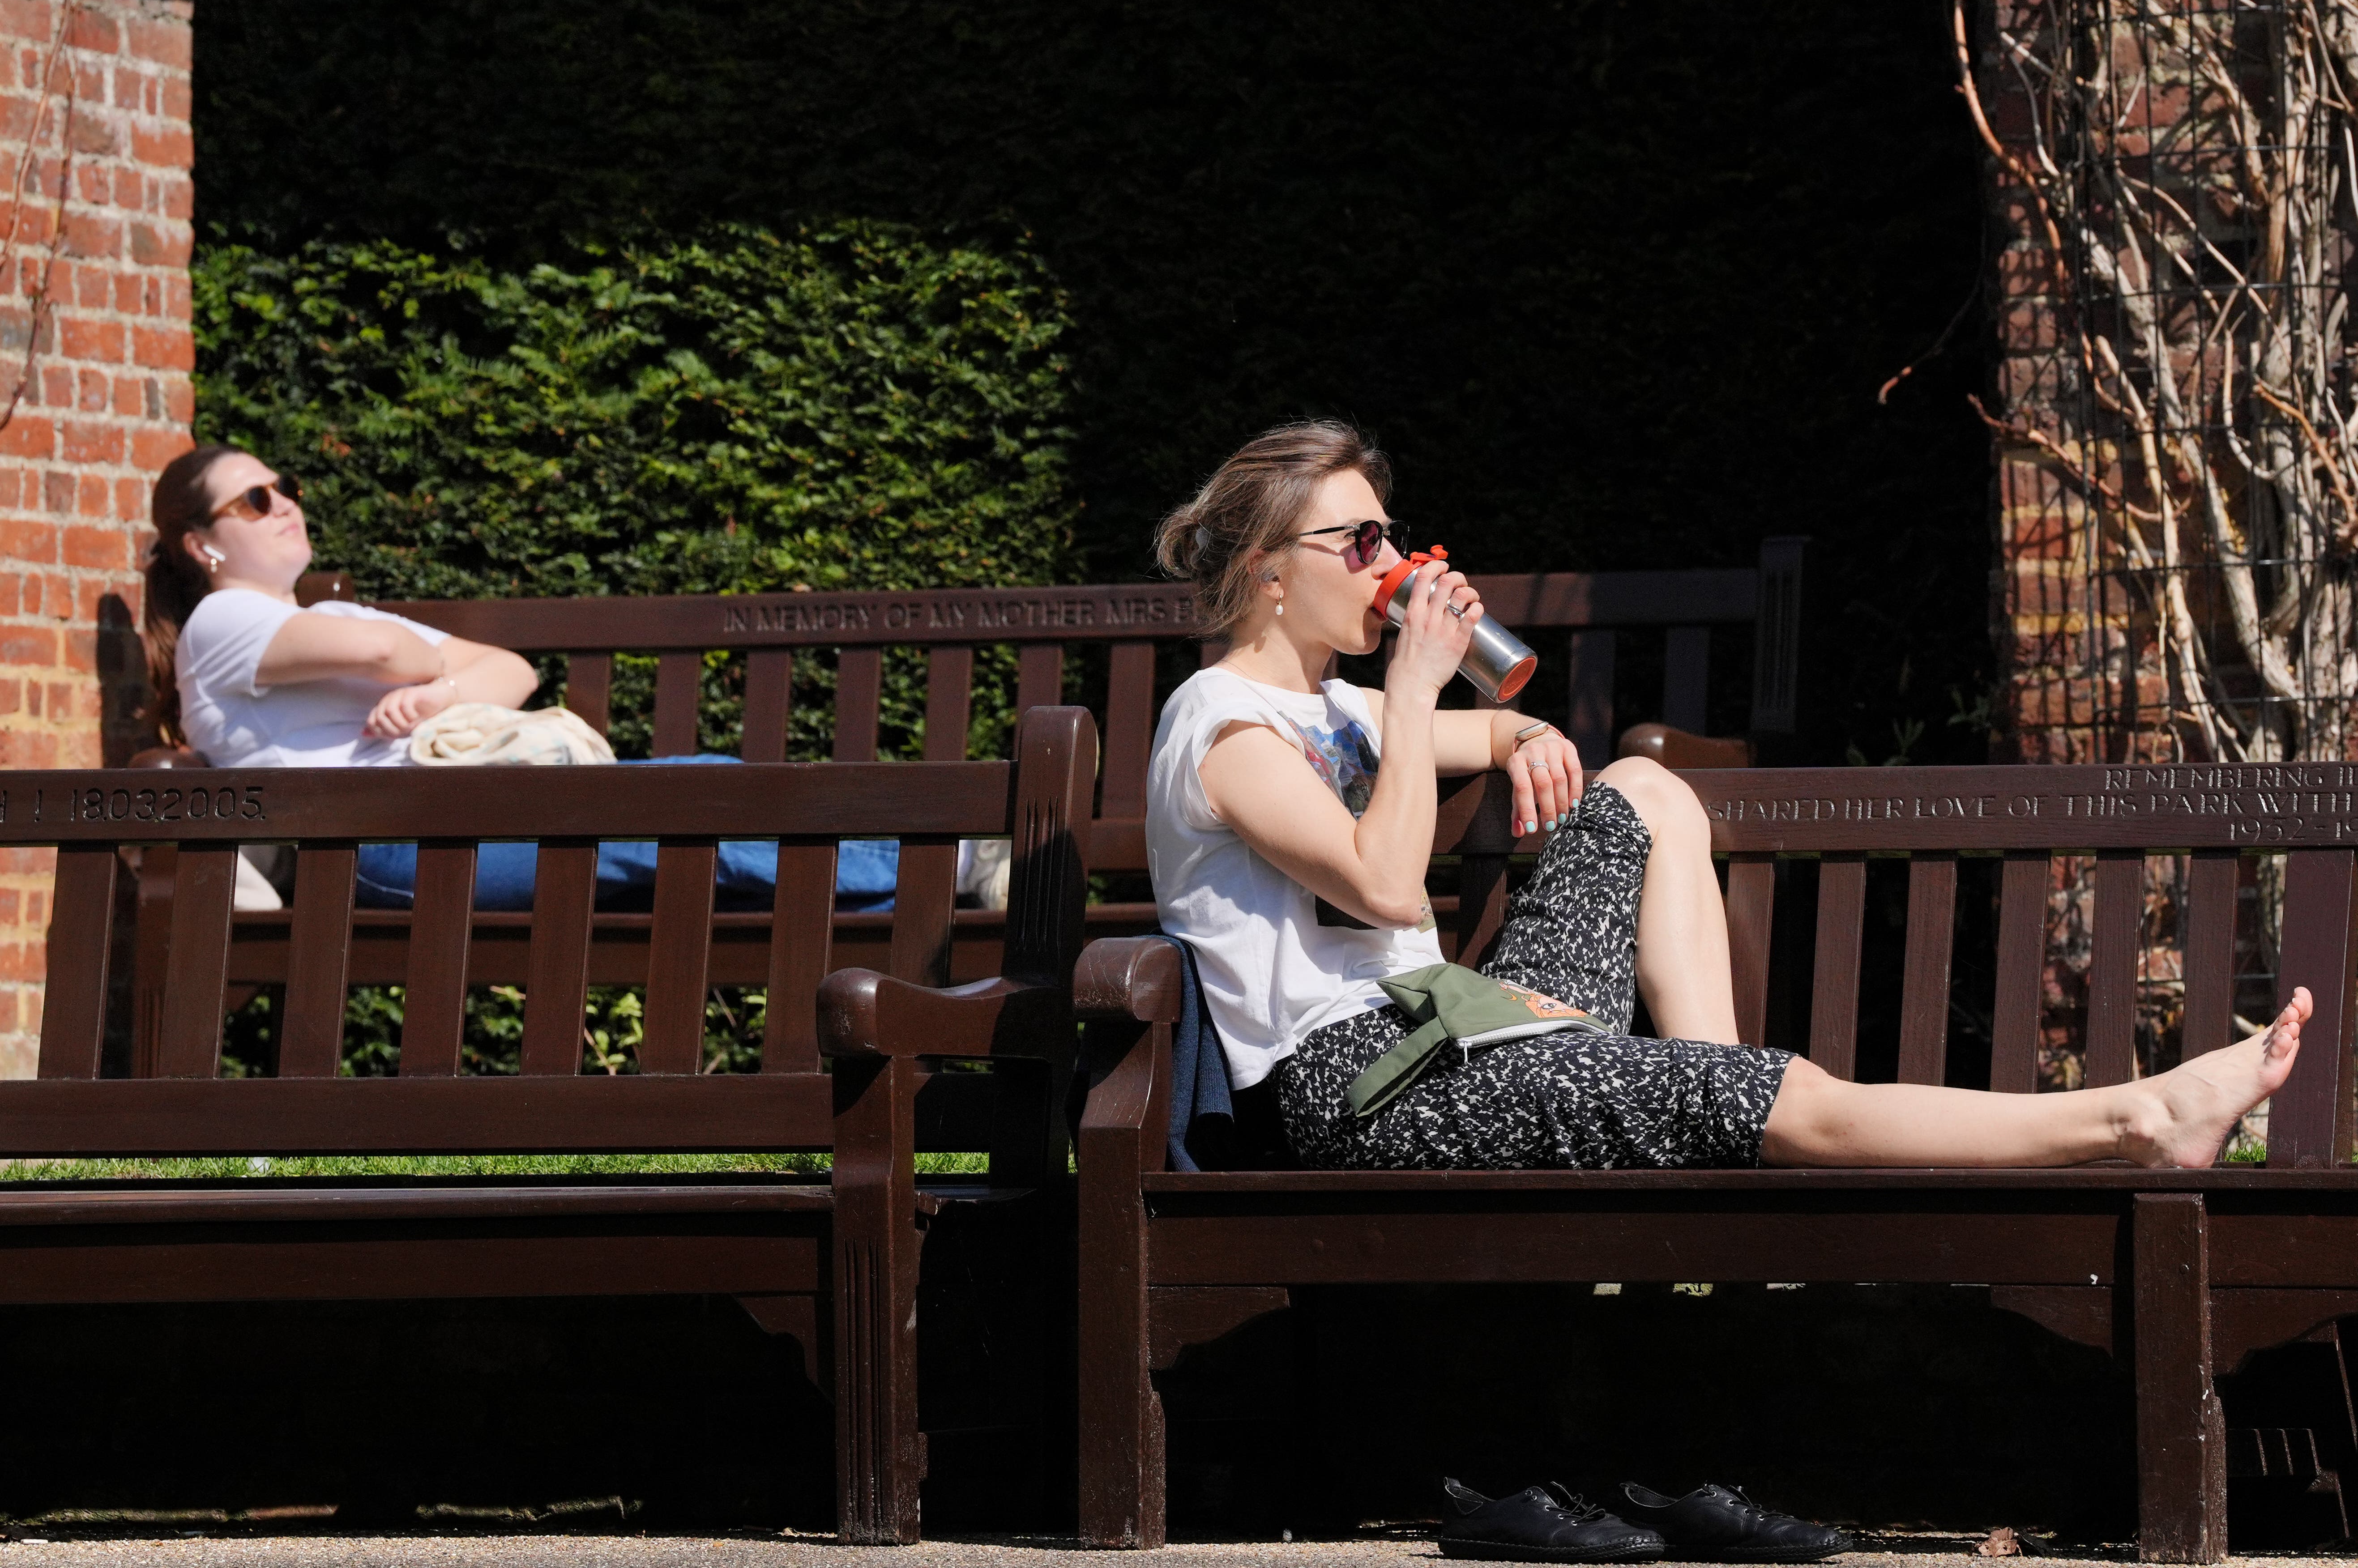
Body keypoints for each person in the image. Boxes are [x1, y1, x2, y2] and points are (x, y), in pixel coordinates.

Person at [1145, 422, 2305, 1172]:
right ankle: (2132, 1122)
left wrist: (1525, 735)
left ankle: (1716, 1112)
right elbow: (1386, 880)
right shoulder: (1222, 728)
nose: (1388, 564)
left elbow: (1490, 726)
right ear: (1267, 571)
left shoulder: (1337, 715)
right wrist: (1409, 688)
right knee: (1788, 1093)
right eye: (1357, 541)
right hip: (1363, 1087)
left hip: (1455, 1025)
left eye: (1390, 533)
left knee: (1643, 787)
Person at [140, 443, 903, 911]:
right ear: (202, 543)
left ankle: (943, 893)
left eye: (289, 489)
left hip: (467, 819)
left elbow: (511, 671)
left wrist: (438, 695)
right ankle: (961, 864)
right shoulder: (223, 621)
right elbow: (389, 658)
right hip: (377, 852)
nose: (285, 506)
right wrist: (424, 668)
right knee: (680, 807)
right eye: (255, 500)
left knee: (702, 806)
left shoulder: (339, 618)